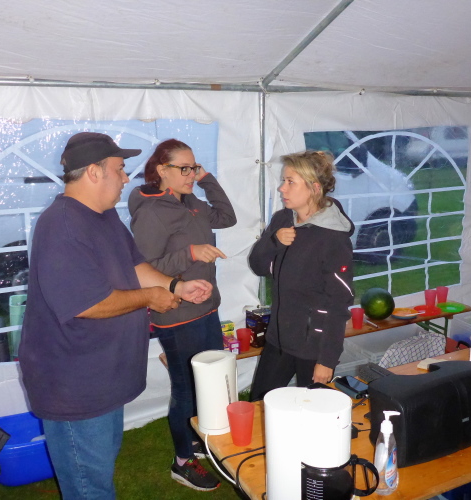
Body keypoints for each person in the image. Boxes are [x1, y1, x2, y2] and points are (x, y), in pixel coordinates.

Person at [18, 132, 213, 500]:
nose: (126, 178)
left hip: (103, 376)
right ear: (94, 172)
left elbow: (135, 265)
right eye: (120, 169)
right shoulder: (61, 225)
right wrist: (150, 298)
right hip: (75, 386)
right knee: (89, 487)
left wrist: (175, 286)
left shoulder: (104, 217)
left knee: (100, 469)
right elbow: (86, 304)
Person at [128, 139, 236, 491]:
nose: (191, 174)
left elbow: (228, 217)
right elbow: (143, 268)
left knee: (210, 382)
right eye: (184, 168)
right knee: (186, 388)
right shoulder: (151, 212)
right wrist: (190, 253)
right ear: (162, 170)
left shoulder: (191, 202)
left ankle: (195, 440)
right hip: (176, 314)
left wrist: (207, 180)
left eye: (194, 167)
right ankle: (182, 462)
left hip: (207, 307)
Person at [248, 150, 354, 401]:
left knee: (311, 412)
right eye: (283, 180)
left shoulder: (333, 238)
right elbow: (258, 266)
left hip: (313, 346)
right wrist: (273, 242)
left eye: (290, 182)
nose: (282, 188)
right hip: (279, 339)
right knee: (260, 406)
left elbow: (339, 303)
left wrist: (327, 360)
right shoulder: (282, 219)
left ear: (314, 188)